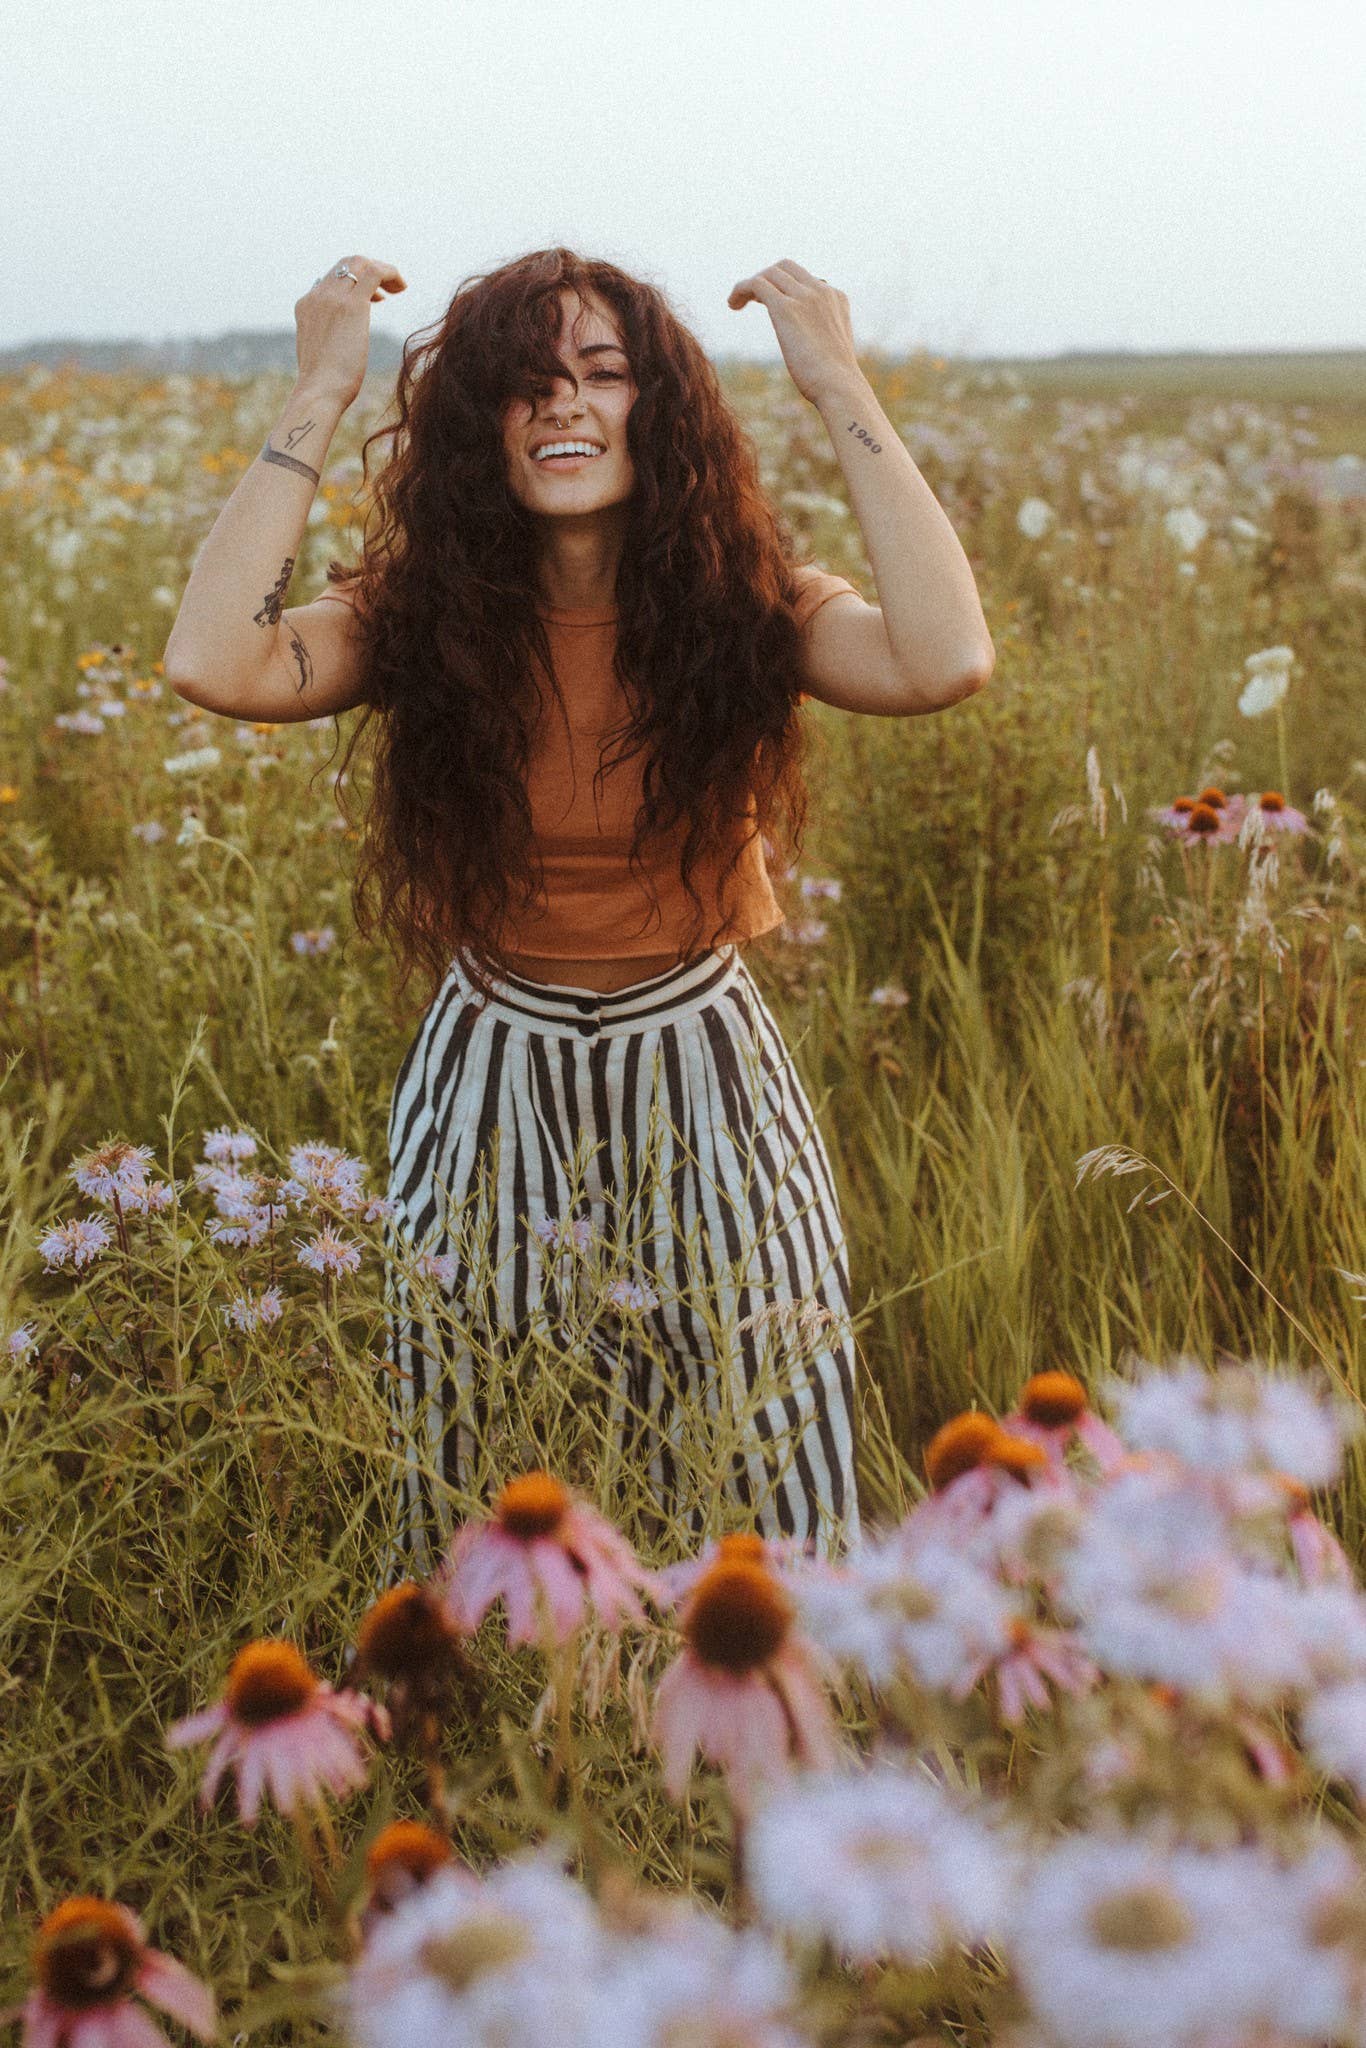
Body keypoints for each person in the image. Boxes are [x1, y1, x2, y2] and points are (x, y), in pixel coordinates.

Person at [164, 246, 994, 1573]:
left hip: (705, 1058)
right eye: (522, 384)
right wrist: (319, 387)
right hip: (490, 1060)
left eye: (601, 375)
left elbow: (942, 658)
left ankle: (766, 1738)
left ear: (654, 413)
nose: (562, 404)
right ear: (473, 429)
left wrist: (837, 377)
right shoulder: (419, 613)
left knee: (768, 1431)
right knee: (466, 1451)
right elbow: (214, 660)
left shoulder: (745, 599)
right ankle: (493, 1737)